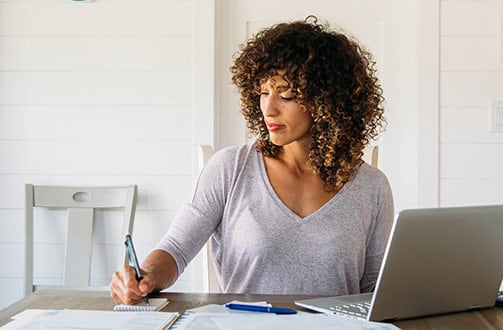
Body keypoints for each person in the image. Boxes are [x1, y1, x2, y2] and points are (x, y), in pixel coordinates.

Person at [110, 16, 394, 305]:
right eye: (263, 93)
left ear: (328, 102)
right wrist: (145, 276)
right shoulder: (230, 168)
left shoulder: (371, 186)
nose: (268, 109)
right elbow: (175, 249)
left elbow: (375, 290)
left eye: (287, 95)